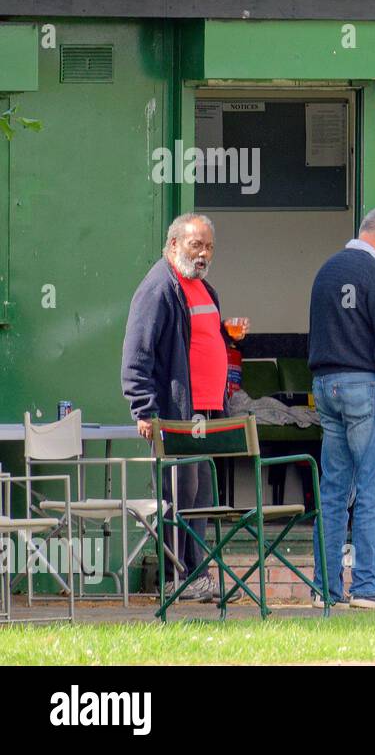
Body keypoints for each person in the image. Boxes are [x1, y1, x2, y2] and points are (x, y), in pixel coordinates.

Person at [122, 213, 232, 603]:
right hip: (174, 416)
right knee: (178, 496)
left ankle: (196, 575)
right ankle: (176, 577)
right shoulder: (159, 288)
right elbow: (137, 356)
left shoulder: (203, 288)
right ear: (172, 245)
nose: (203, 254)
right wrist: (144, 410)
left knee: (198, 498)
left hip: (205, 413)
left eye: (208, 247)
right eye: (195, 245)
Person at [308, 206, 375, 609]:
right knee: (373, 488)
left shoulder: (326, 270)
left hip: (326, 385)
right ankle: (368, 586)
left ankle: (325, 589)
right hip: (368, 387)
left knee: (332, 492)